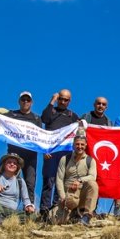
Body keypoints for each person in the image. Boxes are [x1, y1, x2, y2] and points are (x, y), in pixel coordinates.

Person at [0, 91, 42, 205]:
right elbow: (1, 113)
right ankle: (6, 208)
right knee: (10, 180)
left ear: (31, 102)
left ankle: (29, 210)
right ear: (19, 101)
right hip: (14, 155)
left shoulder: (36, 118)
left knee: (30, 183)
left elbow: (40, 137)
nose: (25, 102)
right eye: (23, 100)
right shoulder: (12, 114)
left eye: (28, 100)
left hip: (31, 156)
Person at [40, 89, 80, 217]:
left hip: (65, 155)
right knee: (48, 181)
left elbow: (80, 132)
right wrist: (52, 101)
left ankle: (57, 208)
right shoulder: (51, 111)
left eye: (66, 100)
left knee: (61, 181)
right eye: (61, 99)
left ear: (70, 101)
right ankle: (44, 210)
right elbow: (44, 119)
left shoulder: (72, 115)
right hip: (50, 152)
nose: (63, 102)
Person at [0, 153, 36, 226]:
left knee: (32, 216)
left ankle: (4, 221)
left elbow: (26, 199)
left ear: (17, 167)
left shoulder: (20, 181)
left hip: (11, 212)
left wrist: (29, 206)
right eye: (9, 162)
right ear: (4, 165)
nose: (12, 164)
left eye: (15, 163)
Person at [54, 134, 98, 225]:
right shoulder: (65, 159)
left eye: (82, 144)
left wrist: (79, 180)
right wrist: (62, 197)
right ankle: (74, 213)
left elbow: (92, 176)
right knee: (57, 221)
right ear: (73, 145)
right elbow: (59, 179)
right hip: (68, 195)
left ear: (86, 145)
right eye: (77, 144)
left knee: (93, 184)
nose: (80, 147)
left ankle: (86, 216)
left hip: (82, 194)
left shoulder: (90, 160)